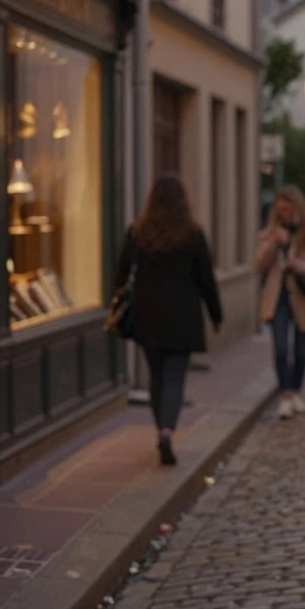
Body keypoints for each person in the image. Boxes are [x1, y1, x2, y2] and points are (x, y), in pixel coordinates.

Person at [113, 173, 223, 466]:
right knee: (175, 377)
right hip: (182, 316)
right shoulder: (193, 234)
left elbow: (120, 274)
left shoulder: (138, 233)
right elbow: (206, 280)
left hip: (148, 315)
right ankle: (166, 430)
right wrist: (215, 315)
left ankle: (160, 428)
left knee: (157, 376)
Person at [255, 185, 305, 418]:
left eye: (288, 210)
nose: (284, 214)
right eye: (280, 211)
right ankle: (286, 395)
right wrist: (271, 244)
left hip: (303, 297)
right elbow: (258, 265)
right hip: (277, 297)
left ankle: (296, 389)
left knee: (300, 350)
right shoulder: (270, 232)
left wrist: (298, 264)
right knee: (280, 348)